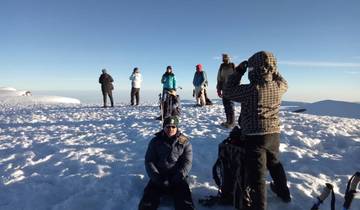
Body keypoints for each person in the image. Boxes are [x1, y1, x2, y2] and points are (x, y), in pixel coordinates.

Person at [223, 51, 291, 210]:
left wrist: (238, 71)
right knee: (274, 163)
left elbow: (228, 91)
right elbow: (283, 80)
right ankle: (284, 193)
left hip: (254, 136)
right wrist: (271, 68)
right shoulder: (279, 87)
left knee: (257, 178)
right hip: (274, 134)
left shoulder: (251, 89)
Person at [138, 116, 195, 210]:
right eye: (168, 126)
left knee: (185, 202)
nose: (170, 129)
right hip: (159, 176)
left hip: (177, 176)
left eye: (173, 127)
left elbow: (187, 162)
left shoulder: (185, 142)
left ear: (177, 128)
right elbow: (149, 161)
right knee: (147, 202)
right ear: (163, 127)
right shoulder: (155, 141)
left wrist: (178, 176)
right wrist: (157, 177)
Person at [216, 53, 236, 128]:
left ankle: (232, 122)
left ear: (229, 58)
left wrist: (236, 86)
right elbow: (219, 78)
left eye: (226, 58)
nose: (224, 59)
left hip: (232, 88)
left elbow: (237, 76)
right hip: (224, 88)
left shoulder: (233, 65)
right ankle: (228, 121)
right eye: (223, 58)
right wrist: (218, 89)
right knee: (226, 105)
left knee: (230, 105)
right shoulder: (222, 66)